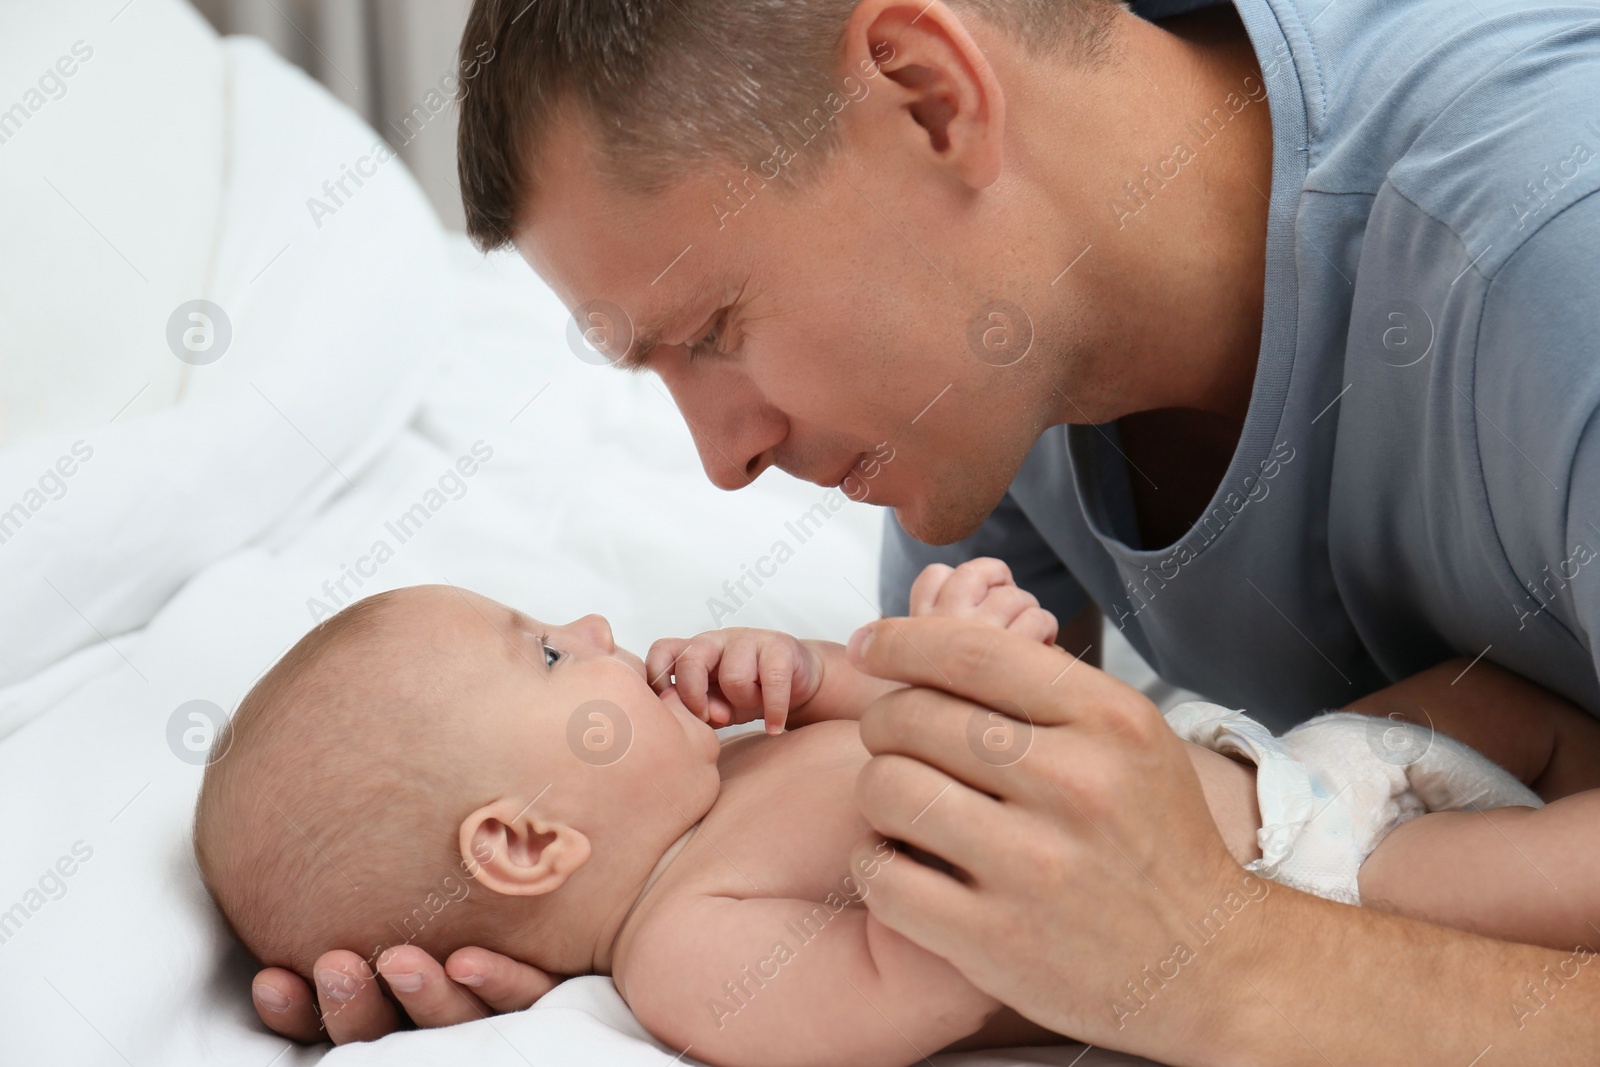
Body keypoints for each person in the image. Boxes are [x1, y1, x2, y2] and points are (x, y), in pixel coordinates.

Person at [254, 0, 1600, 1059]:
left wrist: (1227, 962)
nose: (724, 461)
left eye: (716, 331)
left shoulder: (1554, 263)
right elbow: (981, 760)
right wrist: (545, 930)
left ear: (928, 93)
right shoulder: (993, 389)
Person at [215, 573, 1580, 1067]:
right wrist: (947, 747)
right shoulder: (689, 955)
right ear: (524, 843)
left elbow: (903, 714)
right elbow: (928, 970)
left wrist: (831, 675)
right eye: (551, 658)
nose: (590, 623)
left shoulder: (733, 764)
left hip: (1277, 759)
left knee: (1533, 693)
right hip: (1323, 880)